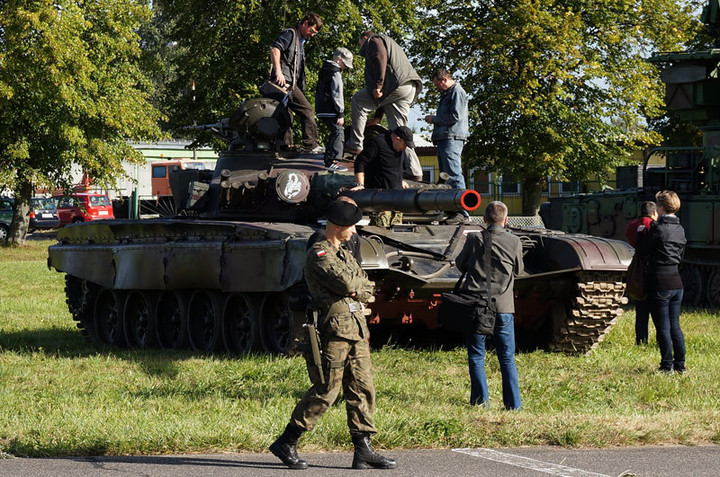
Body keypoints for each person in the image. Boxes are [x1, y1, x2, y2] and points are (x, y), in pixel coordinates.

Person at [269, 200, 396, 470]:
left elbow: (366, 284)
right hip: (335, 330)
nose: (353, 231)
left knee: (362, 388)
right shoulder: (320, 254)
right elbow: (350, 283)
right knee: (327, 389)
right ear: (337, 226)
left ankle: (363, 449)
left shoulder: (344, 252)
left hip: (356, 328)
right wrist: (359, 289)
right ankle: (287, 440)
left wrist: (360, 290)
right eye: (350, 227)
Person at [455, 201, 523, 409]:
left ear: (483, 220)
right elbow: (519, 270)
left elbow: (460, 265)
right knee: (507, 358)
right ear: (506, 220)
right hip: (503, 307)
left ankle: (480, 402)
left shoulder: (475, 238)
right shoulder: (514, 241)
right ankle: (513, 405)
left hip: (476, 305)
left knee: (476, 355)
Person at [345, 31, 423, 179]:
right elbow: (385, 99)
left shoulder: (374, 40)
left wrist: (378, 85)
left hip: (395, 85)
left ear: (365, 38)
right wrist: (377, 117)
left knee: (358, 100)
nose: (360, 47)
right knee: (399, 132)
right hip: (408, 86)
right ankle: (414, 171)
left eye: (359, 43)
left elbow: (380, 57)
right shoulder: (390, 43)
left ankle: (355, 144)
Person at [636, 191, 687, 374]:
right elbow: (681, 256)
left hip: (659, 282)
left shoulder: (658, 229)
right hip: (676, 282)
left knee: (662, 327)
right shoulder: (680, 229)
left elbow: (642, 251)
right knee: (675, 326)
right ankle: (680, 365)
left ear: (661, 208)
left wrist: (641, 234)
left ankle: (667, 366)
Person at [264, 13, 323, 153]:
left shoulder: (300, 40)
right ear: (305, 23)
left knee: (286, 116)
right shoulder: (290, 34)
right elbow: (275, 49)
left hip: (291, 84)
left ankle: (285, 147)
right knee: (307, 111)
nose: (313, 35)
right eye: (312, 31)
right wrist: (278, 72)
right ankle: (312, 145)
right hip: (283, 82)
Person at [424, 68, 470, 224]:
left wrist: (434, 119)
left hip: (452, 137)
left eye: (437, 84)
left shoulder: (457, 92)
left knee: (454, 174)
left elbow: (455, 116)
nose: (437, 88)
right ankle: (452, 211)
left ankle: (462, 212)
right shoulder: (448, 93)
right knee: (447, 176)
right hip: (445, 138)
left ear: (444, 79)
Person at [350, 126, 414, 227]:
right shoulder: (378, 143)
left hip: (396, 200)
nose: (405, 148)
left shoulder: (400, 149)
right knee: (380, 229)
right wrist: (360, 184)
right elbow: (360, 161)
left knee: (396, 232)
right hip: (380, 200)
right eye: (404, 144)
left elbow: (400, 168)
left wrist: (401, 180)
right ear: (397, 139)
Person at [624, 201, 658, 345]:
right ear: (654, 212)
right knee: (658, 311)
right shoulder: (654, 226)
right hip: (652, 268)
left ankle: (641, 340)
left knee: (641, 310)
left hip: (637, 269)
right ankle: (660, 340)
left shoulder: (632, 225)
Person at [316, 48, 354, 171]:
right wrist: (340, 113)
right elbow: (337, 93)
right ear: (339, 60)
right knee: (339, 132)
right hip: (331, 108)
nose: (345, 68)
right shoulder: (335, 72)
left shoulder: (324, 70)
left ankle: (329, 158)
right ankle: (332, 161)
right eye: (344, 64)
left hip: (321, 108)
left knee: (334, 132)